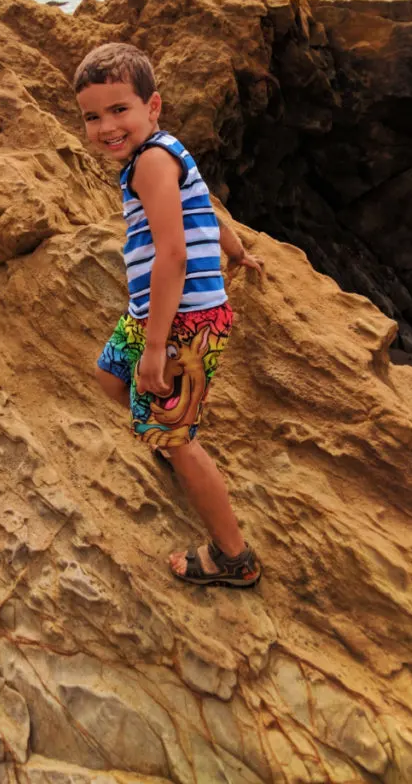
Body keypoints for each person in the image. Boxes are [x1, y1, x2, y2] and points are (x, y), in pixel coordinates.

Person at [74, 43, 264, 588]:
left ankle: (233, 557)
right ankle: (168, 434)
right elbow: (204, 204)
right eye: (92, 116)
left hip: (182, 324)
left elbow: (173, 254)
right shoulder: (166, 151)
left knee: (175, 436)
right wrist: (235, 249)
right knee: (110, 375)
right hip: (151, 313)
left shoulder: (151, 162)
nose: (107, 126)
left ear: (152, 107)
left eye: (119, 110)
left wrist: (157, 347)